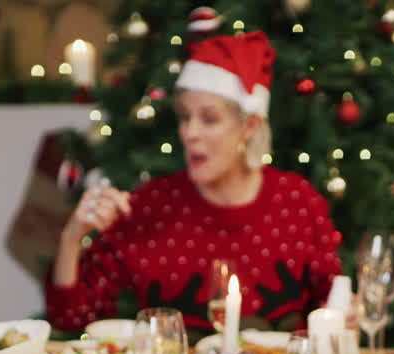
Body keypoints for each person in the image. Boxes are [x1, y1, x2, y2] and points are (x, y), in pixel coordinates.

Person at [45, 31, 342, 337]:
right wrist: (72, 237)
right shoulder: (151, 205)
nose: (190, 133)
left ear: (249, 125)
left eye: (209, 119)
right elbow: (71, 318)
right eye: (185, 117)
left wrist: (346, 313)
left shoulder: (297, 201)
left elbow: (334, 306)